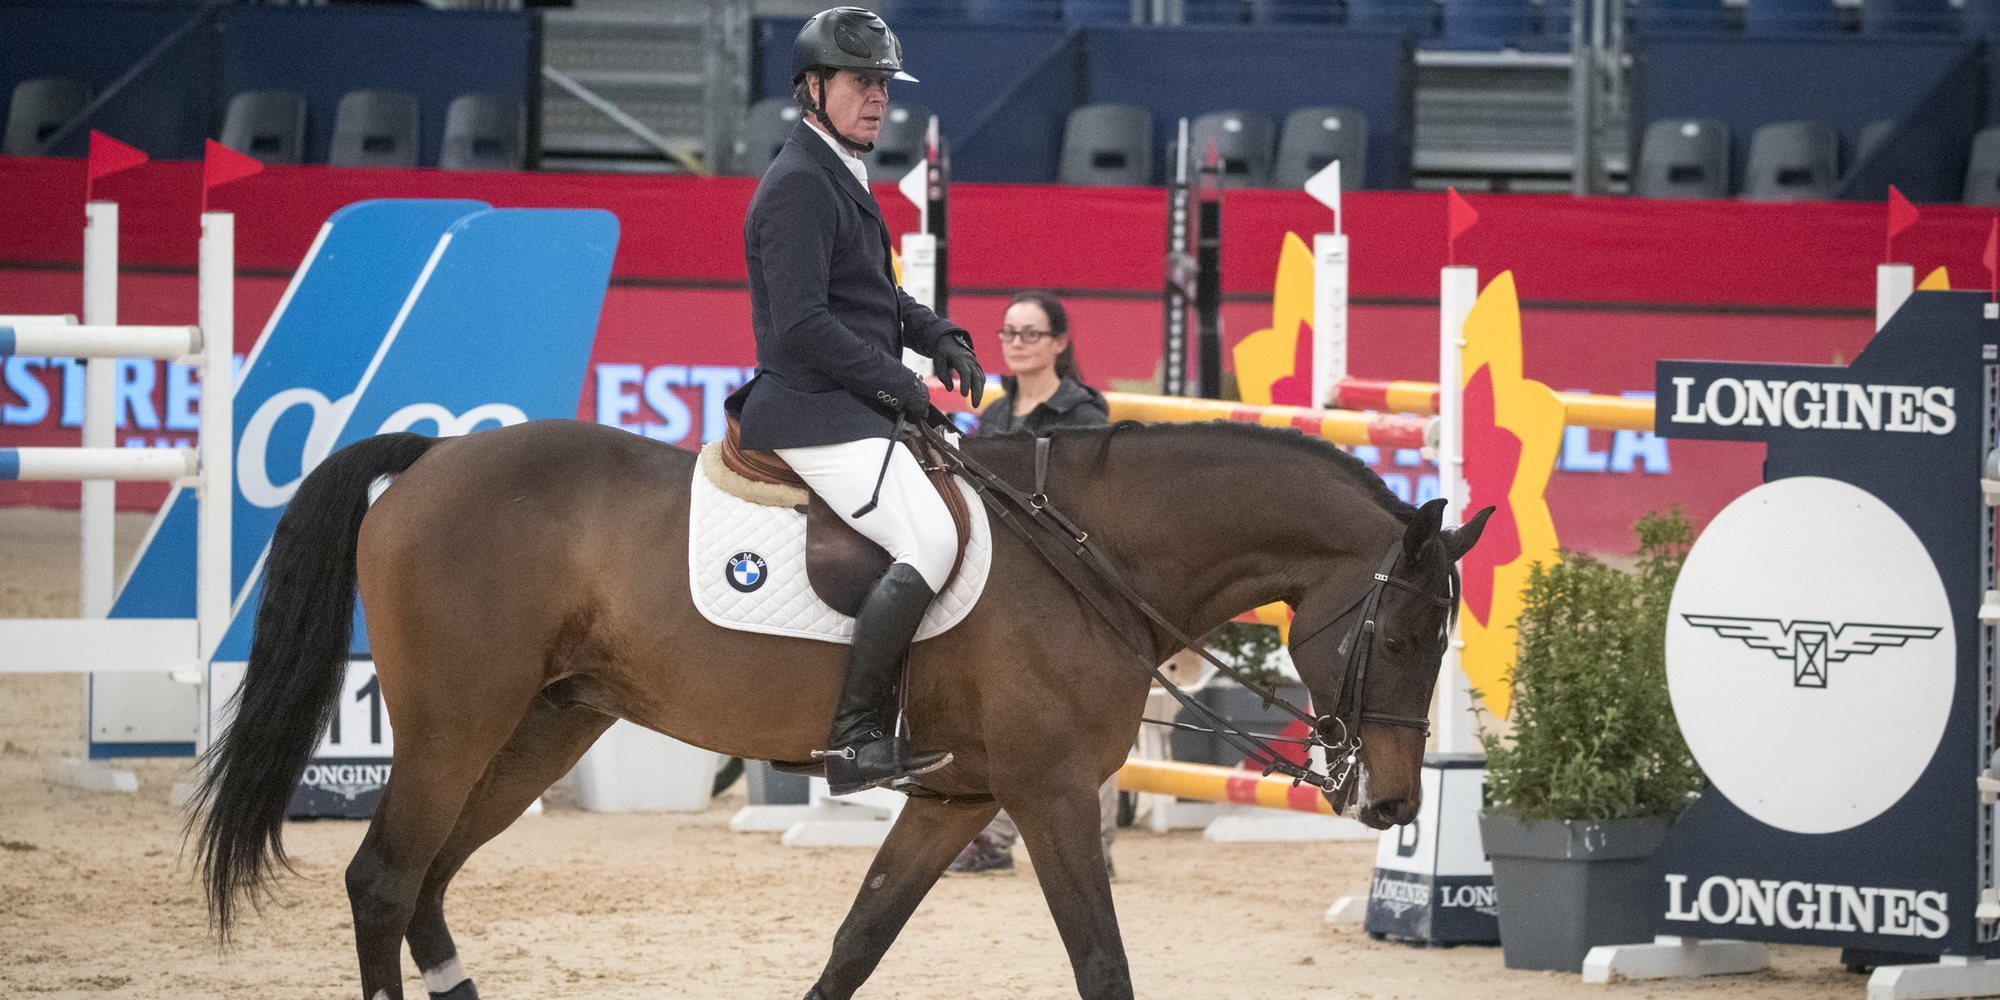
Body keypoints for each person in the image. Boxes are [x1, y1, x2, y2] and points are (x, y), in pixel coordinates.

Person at [726, 6, 984, 796]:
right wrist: (903, 385)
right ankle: (856, 738)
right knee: (933, 542)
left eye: (882, 84)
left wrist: (937, 333)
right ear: (811, 87)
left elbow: (874, 294)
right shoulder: (800, 184)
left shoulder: (838, 167)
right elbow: (803, 325)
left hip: (848, 402)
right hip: (811, 408)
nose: (877, 98)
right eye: (860, 83)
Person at [950, 291, 1116, 876]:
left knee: (1084, 711)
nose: (1017, 344)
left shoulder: (1083, 414)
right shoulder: (994, 414)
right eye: (1009, 333)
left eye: (1030, 334)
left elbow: (1087, 506)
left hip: (1069, 579)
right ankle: (990, 838)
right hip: (1005, 581)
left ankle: (1092, 845)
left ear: (1060, 343)